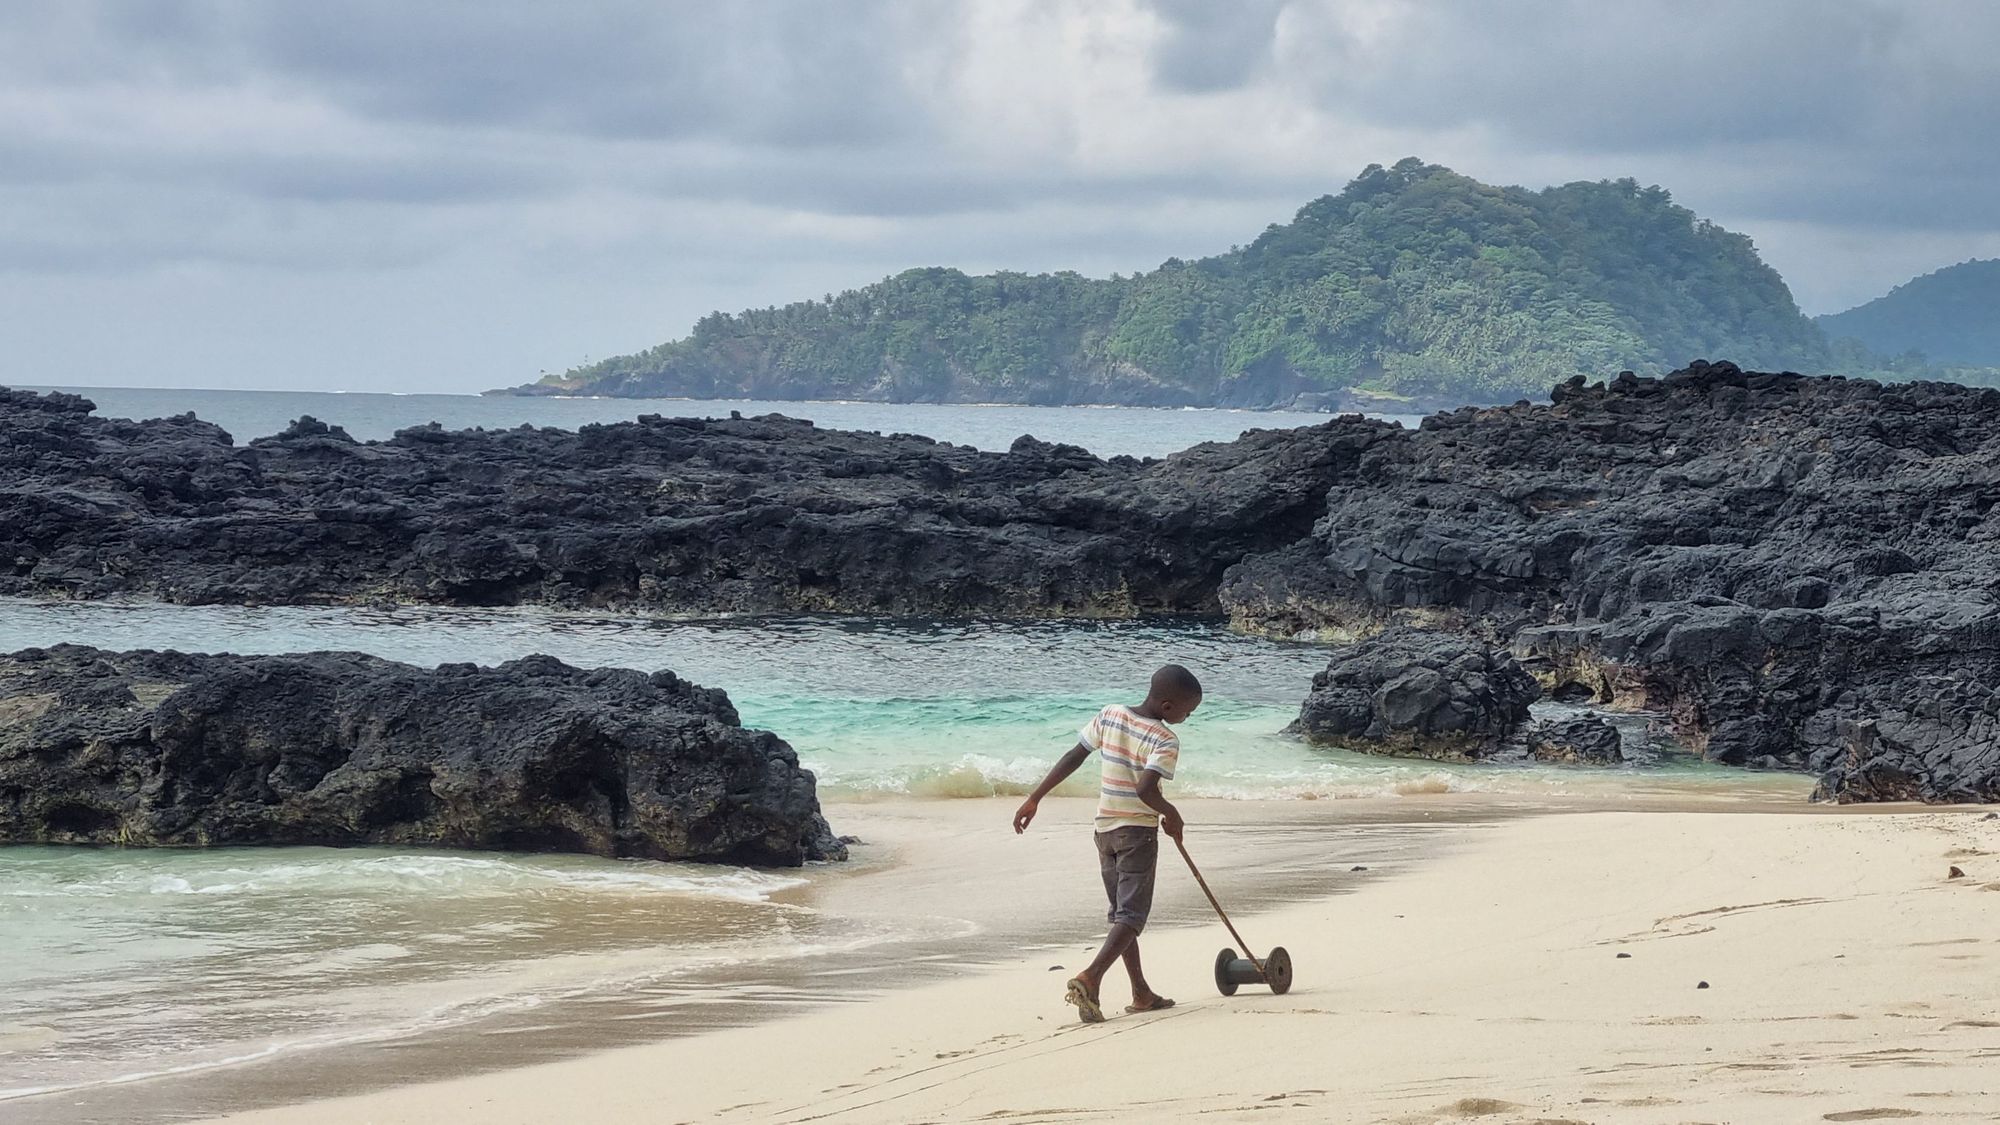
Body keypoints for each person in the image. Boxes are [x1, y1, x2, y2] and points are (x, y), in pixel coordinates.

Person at [1012, 663, 1203, 1023]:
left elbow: (1074, 756)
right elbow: (1145, 789)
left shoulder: (1110, 714)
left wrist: (1034, 797)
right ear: (1167, 706)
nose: (1186, 718)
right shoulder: (1164, 739)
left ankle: (1141, 993)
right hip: (1136, 833)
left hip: (1104, 830)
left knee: (1120, 915)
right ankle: (1091, 976)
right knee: (1131, 916)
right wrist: (1171, 813)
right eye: (1187, 712)